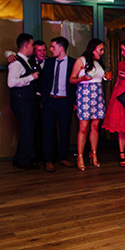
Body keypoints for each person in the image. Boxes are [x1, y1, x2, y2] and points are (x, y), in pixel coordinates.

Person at [40, 36, 76, 172]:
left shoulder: (73, 63)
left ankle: (63, 157)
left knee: (65, 130)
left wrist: (74, 101)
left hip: (65, 101)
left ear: (61, 48)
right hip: (50, 100)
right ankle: (48, 160)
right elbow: (44, 81)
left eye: (53, 47)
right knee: (48, 131)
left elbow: (75, 84)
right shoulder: (48, 63)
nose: (50, 49)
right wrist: (43, 100)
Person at [69, 38, 106, 171]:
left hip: (98, 95)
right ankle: (80, 156)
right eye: (100, 49)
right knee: (84, 127)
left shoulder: (98, 62)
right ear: (93, 48)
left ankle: (93, 153)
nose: (102, 52)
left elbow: (99, 77)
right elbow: (71, 79)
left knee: (95, 126)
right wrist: (82, 79)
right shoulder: (81, 61)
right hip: (85, 95)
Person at [7, 33, 40, 169]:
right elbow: (11, 82)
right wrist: (31, 78)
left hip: (26, 100)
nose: (33, 48)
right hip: (21, 101)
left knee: (28, 129)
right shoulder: (16, 63)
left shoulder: (24, 60)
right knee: (27, 129)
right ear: (26, 45)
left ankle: (20, 157)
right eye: (32, 45)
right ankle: (23, 160)